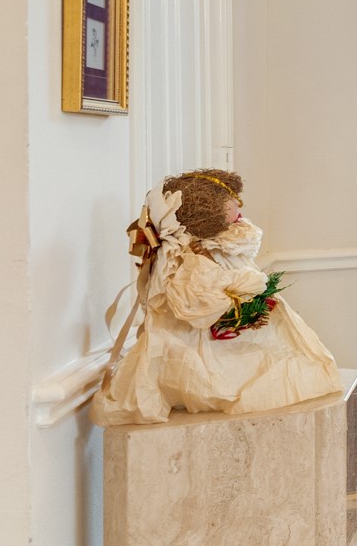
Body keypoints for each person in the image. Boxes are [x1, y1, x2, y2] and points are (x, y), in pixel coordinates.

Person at [93, 169, 341, 425]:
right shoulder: (191, 259)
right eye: (233, 203)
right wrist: (242, 282)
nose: (239, 208)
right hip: (204, 328)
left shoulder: (223, 243)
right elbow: (197, 299)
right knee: (207, 360)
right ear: (209, 213)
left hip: (228, 306)